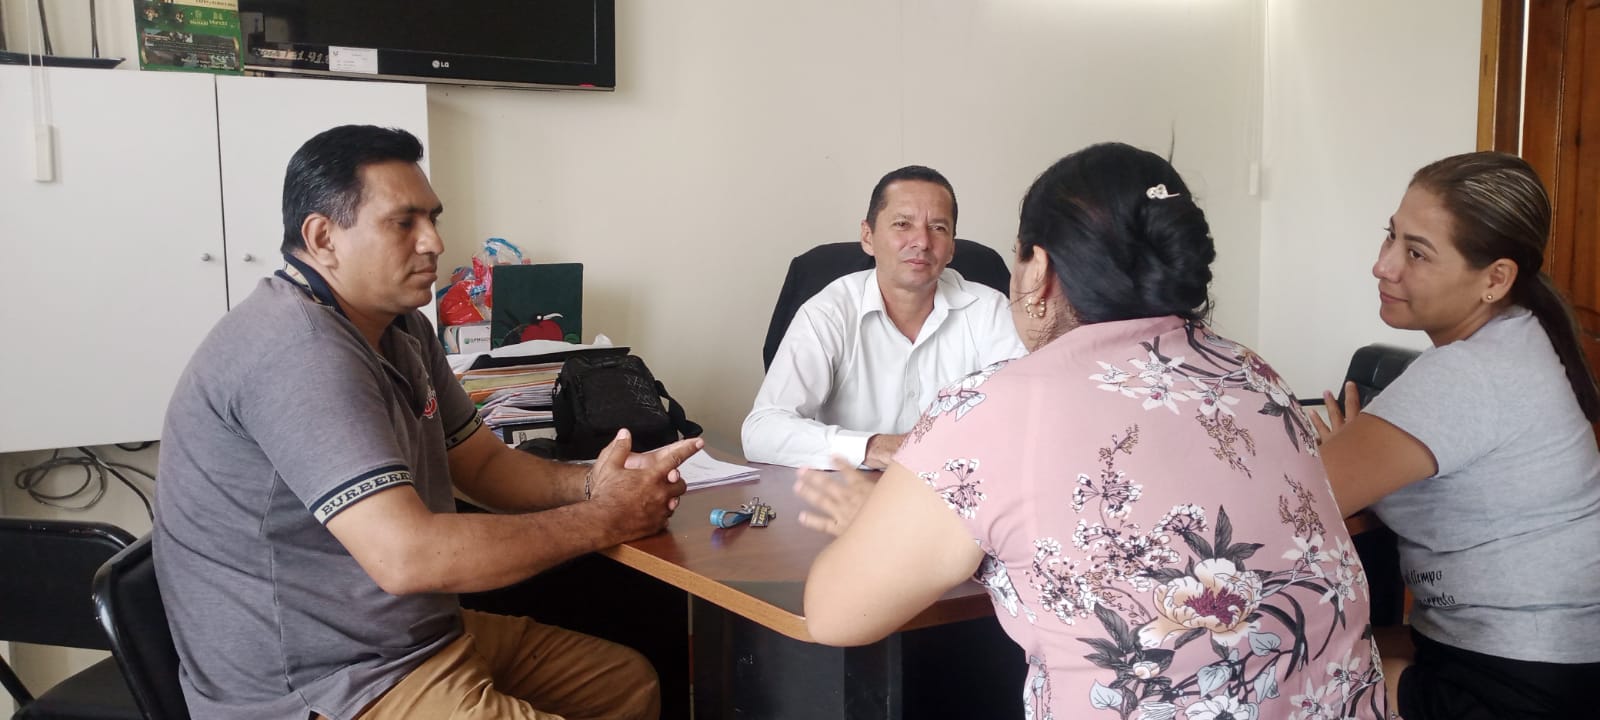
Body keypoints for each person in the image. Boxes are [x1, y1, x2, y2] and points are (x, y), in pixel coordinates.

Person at [796, 143, 1386, 720]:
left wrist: (881, 525)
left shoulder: (987, 409)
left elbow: (833, 615)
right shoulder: (1254, 373)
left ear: (1039, 268)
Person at [153, 125, 701, 720]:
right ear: (323, 238)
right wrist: (607, 517)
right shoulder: (298, 350)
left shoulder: (401, 327)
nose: (434, 241)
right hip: (326, 682)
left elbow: (483, 464)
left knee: (625, 684)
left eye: (433, 218)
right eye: (403, 222)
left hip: (406, 639)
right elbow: (408, 557)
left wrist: (598, 483)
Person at [1312, 151, 1600, 719]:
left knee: (1276, 669)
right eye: (1391, 236)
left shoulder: (1468, 373)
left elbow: (1289, 508)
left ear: (1496, 278)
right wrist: (1356, 456)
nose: (1383, 266)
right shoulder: (1519, 336)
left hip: (1516, 685)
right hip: (1555, 664)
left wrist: (1339, 459)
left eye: (1416, 252)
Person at [742, 165, 1025, 469]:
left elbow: (1028, 415)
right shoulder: (829, 312)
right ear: (868, 237)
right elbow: (761, 431)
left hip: (956, 487)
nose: (922, 241)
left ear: (951, 249)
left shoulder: (990, 310)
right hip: (852, 491)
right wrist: (874, 447)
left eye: (938, 228)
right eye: (903, 224)